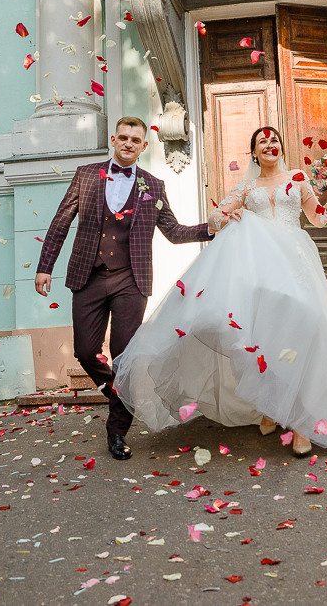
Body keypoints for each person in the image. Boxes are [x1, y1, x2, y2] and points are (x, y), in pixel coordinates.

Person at [112, 126, 327, 456]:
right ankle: (271, 407)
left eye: (275, 140)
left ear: (281, 148)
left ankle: (300, 422)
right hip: (262, 271)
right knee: (268, 337)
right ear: (254, 152)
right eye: (263, 141)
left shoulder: (298, 178)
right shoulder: (246, 186)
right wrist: (229, 215)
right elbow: (214, 217)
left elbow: (318, 218)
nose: (270, 144)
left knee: (302, 329)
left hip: (295, 264)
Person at [35, 117, 214, 460]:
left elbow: (174, 232)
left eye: (136, 139)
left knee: (124, 357)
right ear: (113, 141)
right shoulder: (86, 175)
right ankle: (121, 397)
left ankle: (117, 432)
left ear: (144, 146)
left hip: (131, 280)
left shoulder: (153, 185)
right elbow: (60, 222)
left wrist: (213, 229)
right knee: (85, 352)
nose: (129, 143)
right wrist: (45, 267)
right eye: (124, 138)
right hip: (88, 275)